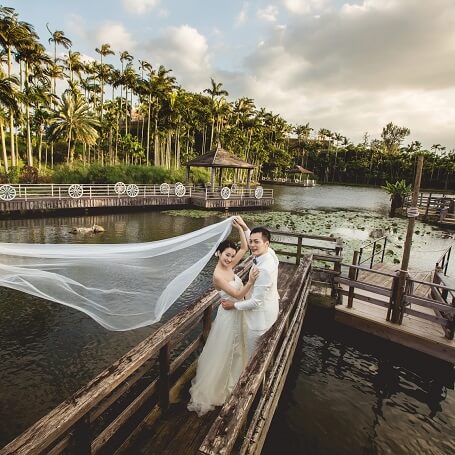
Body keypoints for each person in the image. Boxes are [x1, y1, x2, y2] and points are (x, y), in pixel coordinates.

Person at [188, 216, 259, 416]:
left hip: (236, 311)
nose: (229, 258)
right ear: (218, 253)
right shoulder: (218, 275)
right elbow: (237, 294)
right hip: (228, 316)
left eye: (231, 255)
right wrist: (251, 280)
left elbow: (244, 248)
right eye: (226, 255)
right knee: (226, 349)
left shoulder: (229, 265)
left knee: (239, 347)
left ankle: (235, 380)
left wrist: (240, 228)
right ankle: (219, 388)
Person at [221, 221, 279, 359]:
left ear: (266, 244)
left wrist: (233, 305)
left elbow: (256, 302)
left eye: (256, 242)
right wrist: (245, 227)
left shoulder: (264, 269)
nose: (252, 245)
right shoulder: (269, 253)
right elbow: (254, 241)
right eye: (250, 241)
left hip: (259, 320)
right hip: (270, 308)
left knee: (253, 356)